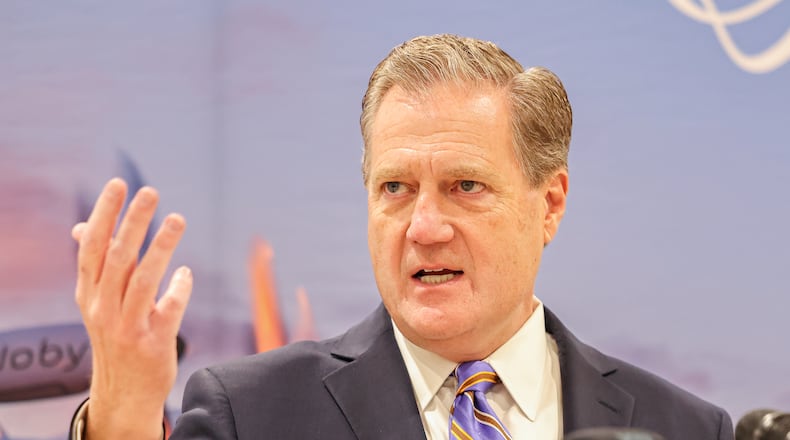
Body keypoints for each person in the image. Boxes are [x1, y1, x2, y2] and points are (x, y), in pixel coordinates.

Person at [69, 34, 734, 439]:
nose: (424, 227)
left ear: (550, 201)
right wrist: (122, 421)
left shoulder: (686, 429)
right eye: (395, 189)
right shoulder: (251, 415)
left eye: (465, 187)